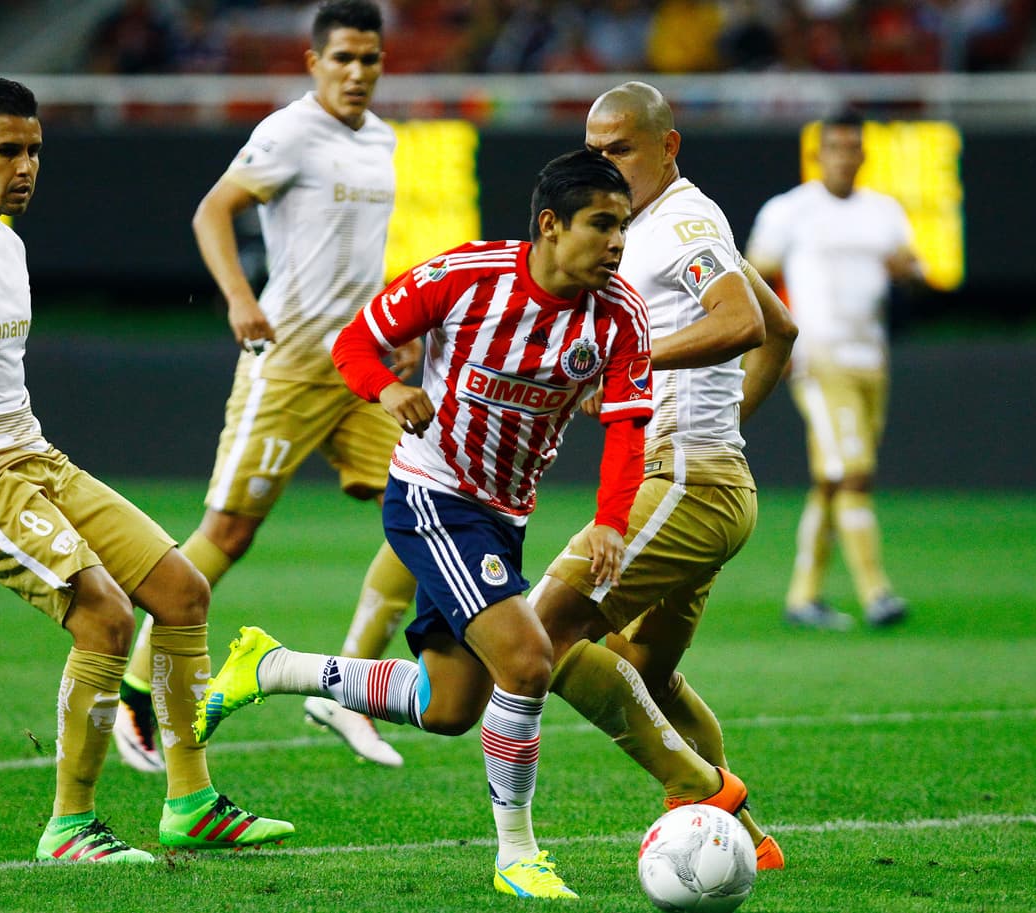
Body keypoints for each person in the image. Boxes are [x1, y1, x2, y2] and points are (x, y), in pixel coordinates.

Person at [196, 149, 751, 900]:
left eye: (622, 226)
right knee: (527, 662)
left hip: (503, 516)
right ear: (551, 225)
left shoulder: (620, 315)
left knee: (450, 705)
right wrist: (389, 392)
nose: (618, 242)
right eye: (602, 224)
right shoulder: (465, 275)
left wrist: (611, 522)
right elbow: (353, 341)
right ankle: (517, 851)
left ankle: (270, 666)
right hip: (432, 494)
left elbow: (626, 428)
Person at [0, 76, 293, 863]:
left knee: (181, 590)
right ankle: (70, 826)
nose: (26, 165)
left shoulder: (8, 243)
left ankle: (192, 803)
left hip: (36, 461)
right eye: (8, 150)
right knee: (105, 615)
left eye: (35, 149)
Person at [114, 0, 419, 773]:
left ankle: (346, 689)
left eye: (370, 59)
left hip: (358, 364)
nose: (357, 73)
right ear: (314, 63)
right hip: (285, 363)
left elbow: (355, 255)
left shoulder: (381, 139)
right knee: (229, 532)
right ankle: (135, 694)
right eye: (343, 58)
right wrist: (239, 298)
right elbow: (213, 211)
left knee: (428, 511)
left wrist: (394, 328)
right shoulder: (288, 132)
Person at [530, 80, 797, 873]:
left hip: (684, 479)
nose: (604, 163)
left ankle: (707, 788)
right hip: (703, 477)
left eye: (620, 148)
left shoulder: (682, 220)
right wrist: (725, 430)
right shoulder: (657, 224)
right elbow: (781, 329)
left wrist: (631, 367)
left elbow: (742, 323)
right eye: (594, 150)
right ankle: (748, 839)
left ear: (667, 145)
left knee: (541, 636)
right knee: (646, 672)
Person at [746, 108, 922, 630]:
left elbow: (915, 269)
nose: (845, 156)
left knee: (832, 478)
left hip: (871, 358)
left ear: (864, 153)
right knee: (854, 473)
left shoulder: (884, 212)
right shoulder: (791, 210)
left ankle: (804, 598)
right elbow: (752, 274)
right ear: (818, 154)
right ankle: (877, 593)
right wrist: (775, 344)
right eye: (835, 147)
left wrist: (906, 270)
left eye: (852, 147)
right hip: (819, 359)